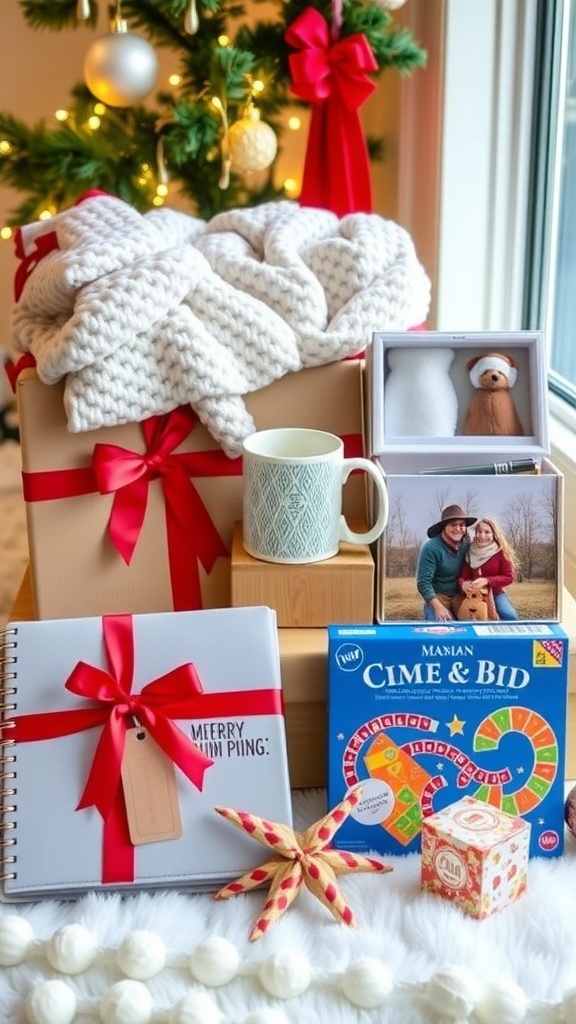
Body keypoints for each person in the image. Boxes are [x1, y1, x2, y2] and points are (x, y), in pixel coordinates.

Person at [416, 504, 476, 622]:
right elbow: (423, 583)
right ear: (444, 527)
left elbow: (481, 567)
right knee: (440, 628)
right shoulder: (431, 548)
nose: (458, 528)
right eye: (453, 525)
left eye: (462, 525)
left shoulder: (467, 546)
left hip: (460, 594)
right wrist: (438, 607)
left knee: (474, 619)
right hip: (438, 595)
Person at [458, 515, 518, 620]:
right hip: (475, 595)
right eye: (479, 532)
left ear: (494, 534)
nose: (482, 536)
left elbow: (509, 577)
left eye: (487, 532)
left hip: (496, 594)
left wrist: (487, 580)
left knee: (510, 616)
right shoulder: (470, 552)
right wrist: (463, 584)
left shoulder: (501, 552)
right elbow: (463, 577)